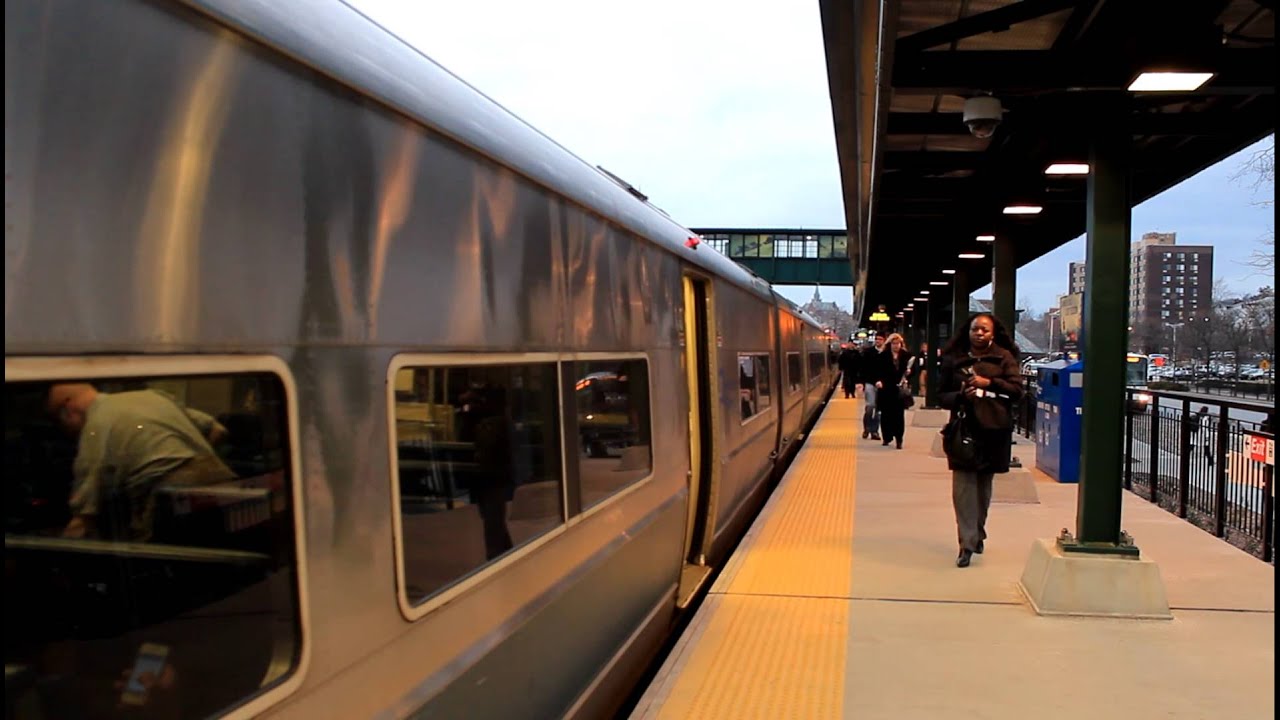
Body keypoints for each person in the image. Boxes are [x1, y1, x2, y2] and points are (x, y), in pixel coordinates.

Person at [46, 383, 236, 543]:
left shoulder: (95, 426)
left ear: (67, 410)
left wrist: (61, 545)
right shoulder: (152, 396)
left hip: (172, 494)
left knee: (153, 559)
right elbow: (218, 430)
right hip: (222, 482)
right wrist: (193, 459)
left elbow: (85, 511)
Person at [938, 313, 1024, 568]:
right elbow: (941, 394)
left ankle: (977, 532)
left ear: (993, 333)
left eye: (984, 330)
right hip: (964, 430)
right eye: (975, 329)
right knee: (963, 489)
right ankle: (966, 543)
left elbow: (1018, 391)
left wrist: (990, 383)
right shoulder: (954, 359)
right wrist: (961, 396)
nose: (979, 333)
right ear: (968, 331)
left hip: (994, 429)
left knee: (983, 489)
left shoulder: (1004, 358)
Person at [873, 333, 916, 449]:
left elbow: (913, 370)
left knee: (899, 415)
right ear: (890, 344)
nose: (896, 346)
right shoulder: (882, 356)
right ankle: (887, 437)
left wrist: (909, 373)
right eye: (894, 343)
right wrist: (878, 381)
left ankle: (899, 439)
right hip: (886, 388)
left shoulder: (906, 356)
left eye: (898, 343)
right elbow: (876, 371)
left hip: (899, 389)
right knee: (886, 414)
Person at [859, 334, 887, 439]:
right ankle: (867, 428)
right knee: (870, 406)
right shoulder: (868, 352)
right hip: (870, 383)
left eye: (880, 339)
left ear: (884, 340)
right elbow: (863, 368)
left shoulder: (886, 353)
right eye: (876, 339)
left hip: (882, 384)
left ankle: (874, 431)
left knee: (878, 409)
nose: (878, 341)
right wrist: (861, 382)